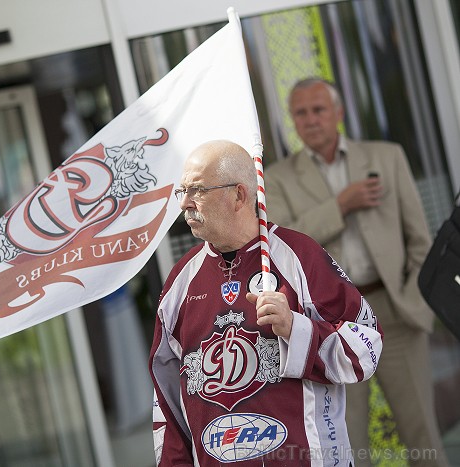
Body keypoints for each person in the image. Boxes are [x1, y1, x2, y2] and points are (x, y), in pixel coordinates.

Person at [149, 140, 382, 466]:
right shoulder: (179, 282)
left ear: (239, 195)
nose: (185, 203)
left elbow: (367, 349)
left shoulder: (299, 255)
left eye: (198, 190)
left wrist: (296, 329)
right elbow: (166, 398)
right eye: (182, 191)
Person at [265, 77, 448, 467]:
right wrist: (341, 205)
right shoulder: (277, 178)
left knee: (423, 435)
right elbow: (284, 245)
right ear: (293, 121)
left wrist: (414, 300)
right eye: (301, 112)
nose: (311, 119)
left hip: (394, 311)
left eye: (319, 109)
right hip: (330, 324)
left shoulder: (387, 157)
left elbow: (420, 239)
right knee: (346, 444)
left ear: (339, 113)